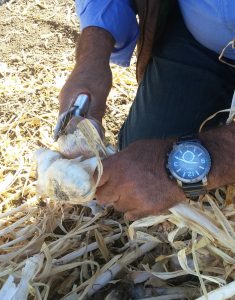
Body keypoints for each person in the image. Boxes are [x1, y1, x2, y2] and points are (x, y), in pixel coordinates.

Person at [58, 0, 235, 220]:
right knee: (136, 167)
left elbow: (164, 168)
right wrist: (93, 55)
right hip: (201, 41)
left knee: (153, 171)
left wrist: (177, 168)